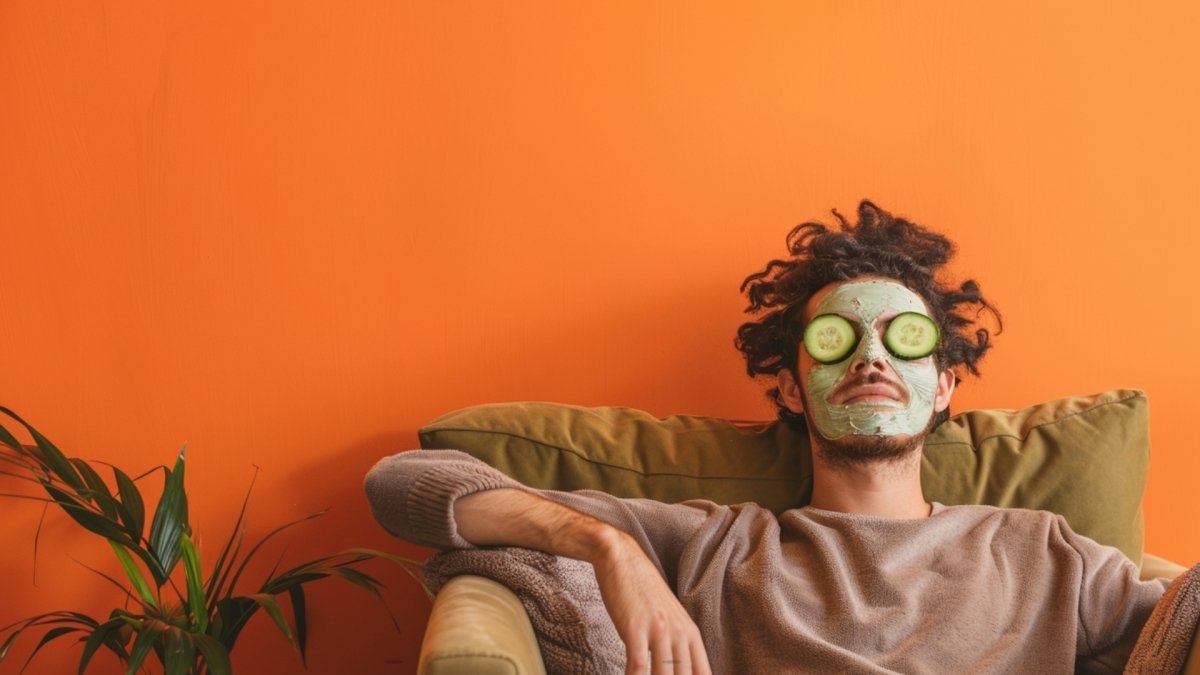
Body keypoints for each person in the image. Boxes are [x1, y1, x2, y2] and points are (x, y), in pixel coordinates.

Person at [366, 201, 1166, 674]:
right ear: (790, 384)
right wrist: (610, 549)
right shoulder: (714, 542)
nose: (872, 355)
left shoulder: (1043, 551)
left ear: (944, 386)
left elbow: (1178, 618)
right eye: (835, 340)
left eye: (904, 338)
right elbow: (401, 482)